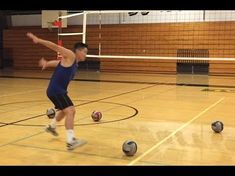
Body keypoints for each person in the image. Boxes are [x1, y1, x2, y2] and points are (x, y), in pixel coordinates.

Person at [26, 32, 88, 150]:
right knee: (71, 111)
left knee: (65, 111)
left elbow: (57, 63)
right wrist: (38, 39)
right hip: (56, 90)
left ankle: (51, 127)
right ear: (78, 51)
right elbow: (55, 46)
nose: (85, 55)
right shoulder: (71, 55)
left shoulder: (73, 63)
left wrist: (47, 63)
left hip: (58, 91)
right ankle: (71, 141)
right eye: (84, 52)